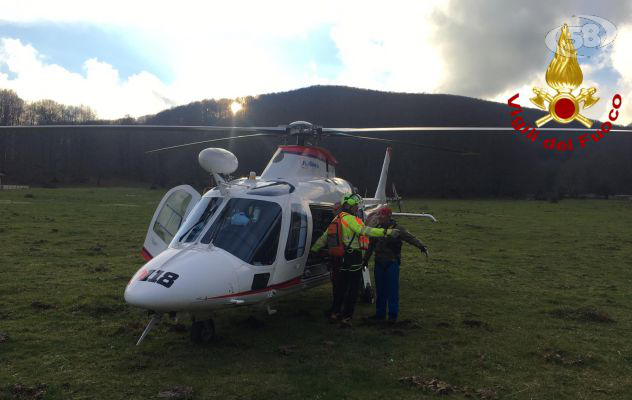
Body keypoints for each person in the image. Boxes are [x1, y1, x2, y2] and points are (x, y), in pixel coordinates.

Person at [311, 194, 399, 326]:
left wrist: (314, 250)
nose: (357, 207)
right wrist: (386, 232)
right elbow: (364, 230)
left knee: (340, 286)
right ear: (349, 206)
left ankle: (335, 312)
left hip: (341, 258)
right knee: (353, 288)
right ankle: (347, 315)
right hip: (354, 258)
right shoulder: (351, 219)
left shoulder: (337, 218)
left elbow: (324, 237)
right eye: (355, 205)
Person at [363, 206, 428, 323]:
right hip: (379, 263)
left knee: (392, 290)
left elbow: (410, 238)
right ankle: (380, 314)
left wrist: (421, 246)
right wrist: (365, 260)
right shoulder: (376, 229)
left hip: (391, 263)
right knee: (380, 291)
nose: (379, 217)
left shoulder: (398, 229)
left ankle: (392, 316)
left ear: (388, 216)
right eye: (378, 215)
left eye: (381, 215)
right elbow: (371, 245)